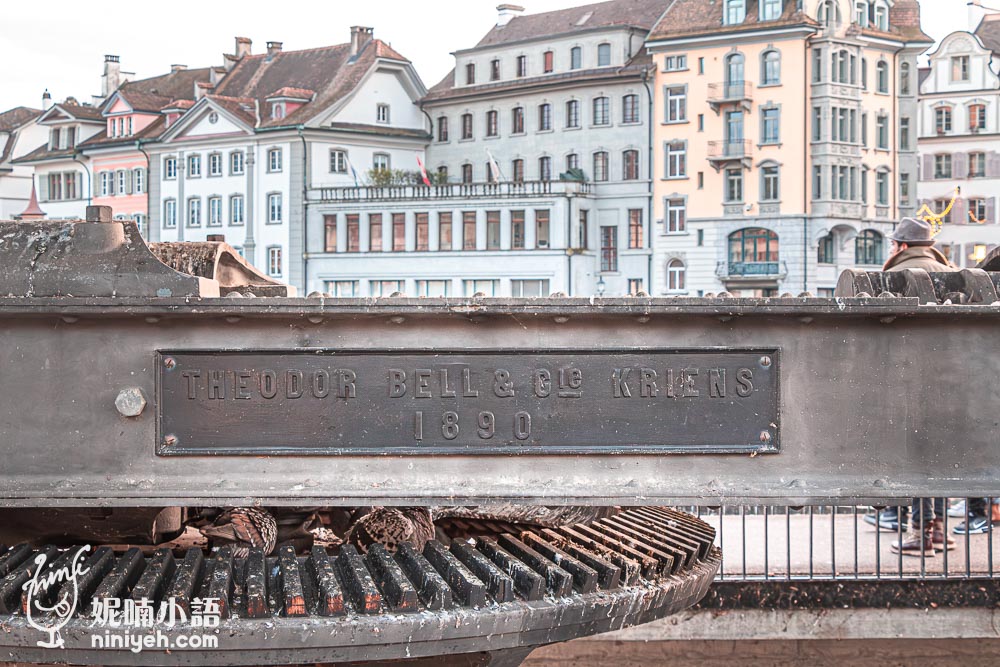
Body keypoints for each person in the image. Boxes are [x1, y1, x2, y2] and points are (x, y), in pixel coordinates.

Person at [883, 217, 958, 556]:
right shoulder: (950, 273)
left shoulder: (895, 276)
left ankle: (920, 534)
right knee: (941, 456)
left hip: (908, 381)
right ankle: (940, 530)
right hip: (951, 380)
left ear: (900, 246)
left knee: (915, 460)